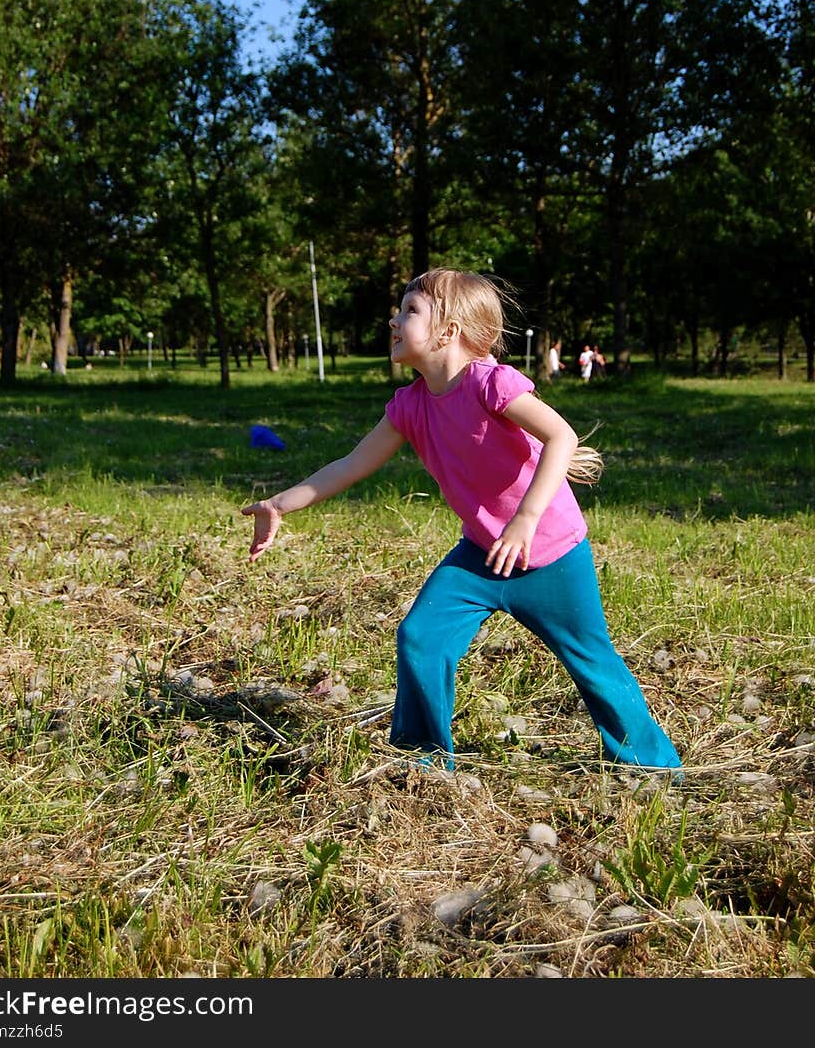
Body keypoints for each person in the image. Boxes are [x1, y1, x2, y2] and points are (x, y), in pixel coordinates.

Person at [242, 269, 681, 775]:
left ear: (448, 332)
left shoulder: (492, 384)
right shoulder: (409, 405)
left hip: (551, 553)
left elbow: (562, 437)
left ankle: (651, 765)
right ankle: (421, 759)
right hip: (480, 556)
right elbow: (350, 464)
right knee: (421, 637)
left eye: (410, 311)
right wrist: (279, 504)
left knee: (591, 660)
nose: (394, 319)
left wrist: (525, 519)